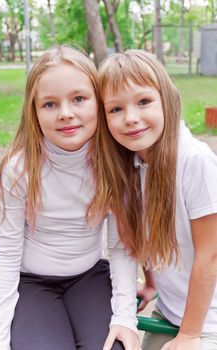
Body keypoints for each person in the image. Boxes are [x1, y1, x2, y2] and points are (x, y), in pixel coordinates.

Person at [0, 45, 140, 350]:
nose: (66, 113)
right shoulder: (20, 169)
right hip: (31, 283)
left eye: (79, 99)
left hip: (89, 276)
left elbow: (121, 246)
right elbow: (4, 254)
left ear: (98, 103)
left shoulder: (113, 163)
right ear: (34, 111)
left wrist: (125, 317)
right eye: (50, 104)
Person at [88, 49, 217, 350]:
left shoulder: (194, 161)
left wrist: (189, 335)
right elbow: (146, 231)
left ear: (166, 100)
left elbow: (210, 256)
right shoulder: (133, 162)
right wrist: (151, 284)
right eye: (115, 109)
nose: (131, 118)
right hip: (171, 311)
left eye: (144, 102)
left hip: (207, 320)